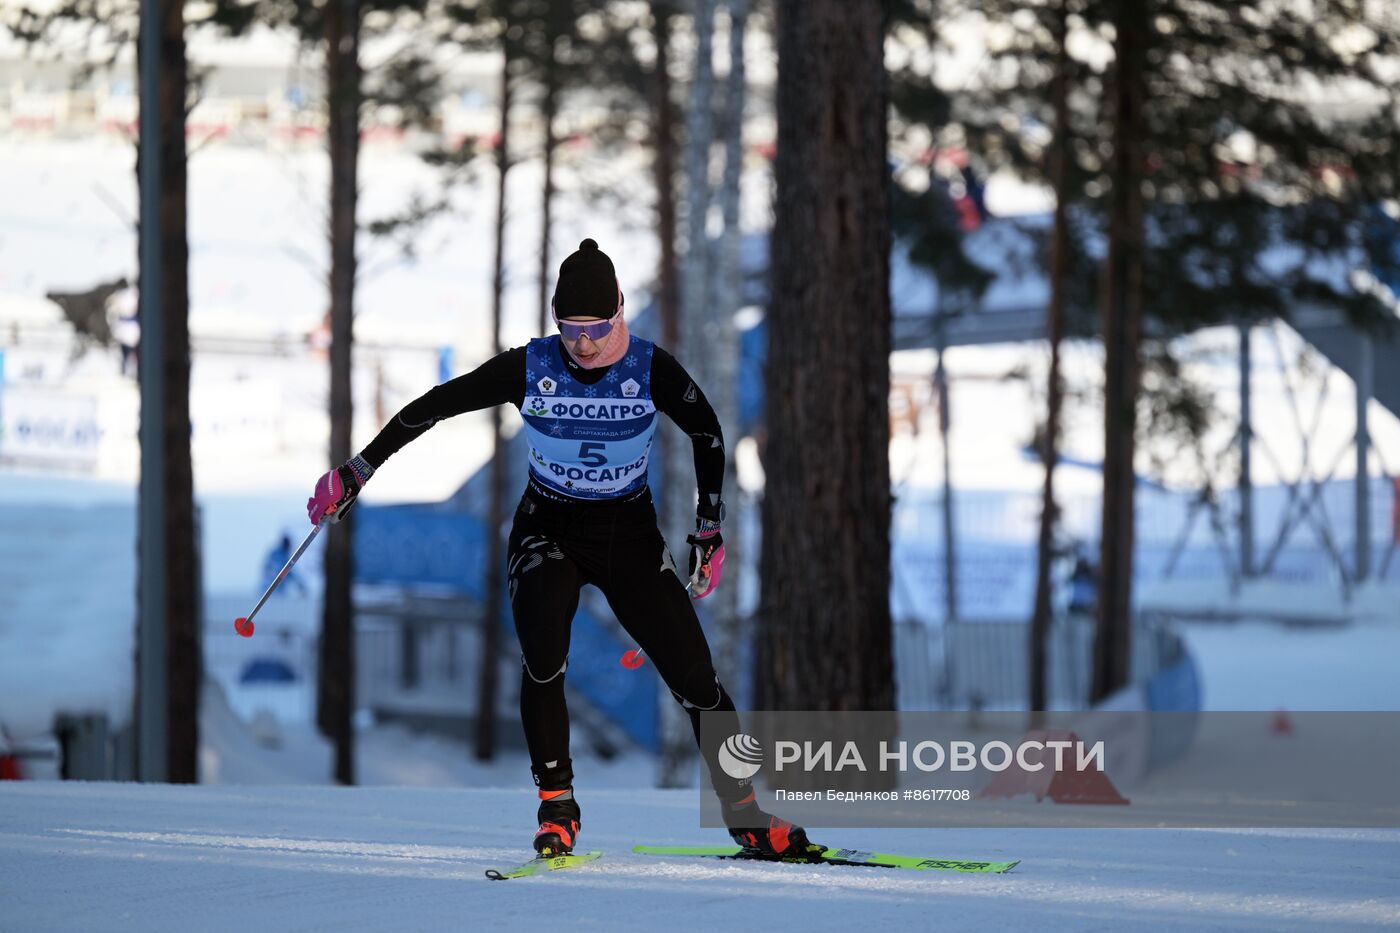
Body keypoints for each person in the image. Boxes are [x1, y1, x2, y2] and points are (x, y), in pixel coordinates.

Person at [306, 239, 814, 860]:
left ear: (620, 311)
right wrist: (358, 470)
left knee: (697, 682)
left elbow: (708, 433)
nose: (585, 344)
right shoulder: (532, 366)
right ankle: (558, 809)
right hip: (548, 531)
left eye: (598, 327)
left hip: (627, 538)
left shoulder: (652, 369)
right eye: (571, 329)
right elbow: (434, 407)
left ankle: (747, 815)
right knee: (544, 656)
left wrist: (709, 527)